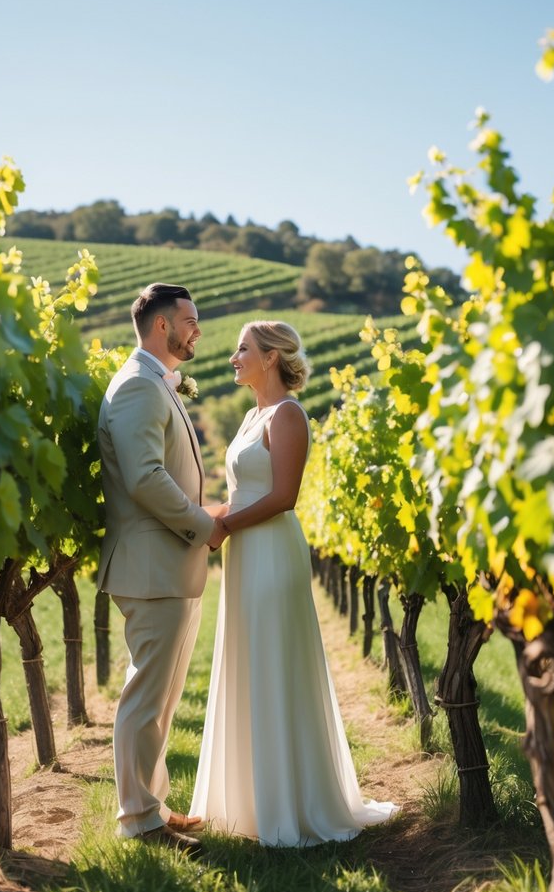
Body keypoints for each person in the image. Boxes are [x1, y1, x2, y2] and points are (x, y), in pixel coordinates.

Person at [190, 320, 399, 845]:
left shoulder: (287, 415)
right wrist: (196, 520)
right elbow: (238, 495)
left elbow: (284, 496)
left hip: (272, 553)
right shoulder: (249, 416)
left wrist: (222, 529)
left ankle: (290, 804)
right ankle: (251, 803)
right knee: (249, 662)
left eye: (243, 349)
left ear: (270, 358)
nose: (233, 357)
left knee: (274, 663)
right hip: (244, 553)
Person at [97, 282, 225, 856]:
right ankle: (137, 819)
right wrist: (204, 524)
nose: (197, 329)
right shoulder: (137, 387)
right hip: (152, 565)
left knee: (162, 698)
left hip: (169, 565)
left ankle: (153, 807)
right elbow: (146, 478)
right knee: (145, 697)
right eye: (190, 320)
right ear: (160, 326)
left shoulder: (155, 383)